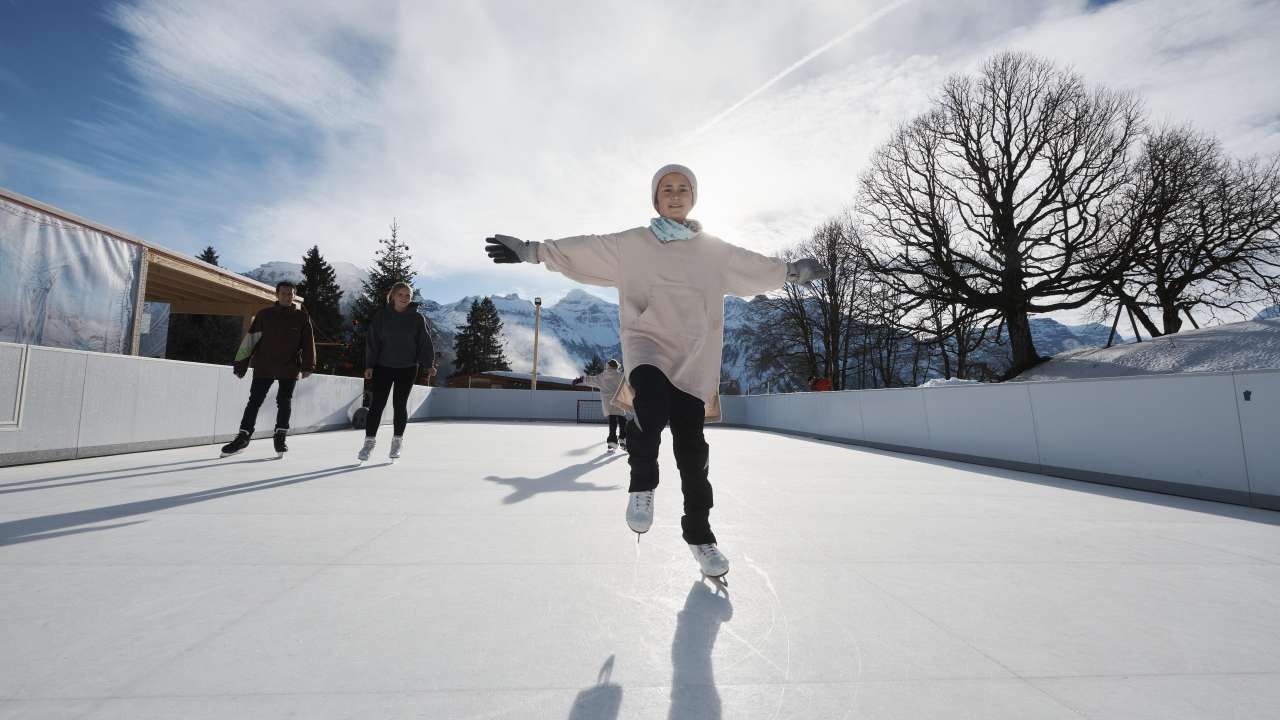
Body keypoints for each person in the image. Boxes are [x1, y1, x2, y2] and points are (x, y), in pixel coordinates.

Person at [485, 163, 828, 580]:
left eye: (684, 188)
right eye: (667, 188)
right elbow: (586, 247)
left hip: (695, 356)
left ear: (694, 196)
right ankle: (642, 486)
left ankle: (701, 538)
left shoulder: (714, 251)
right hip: (646, 342)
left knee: (693, 451)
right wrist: (532, 250)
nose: (676, 194)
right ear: (656, 197)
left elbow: (753, 266)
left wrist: (792, 271)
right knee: (648, 401)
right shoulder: (633, 244)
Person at [221, 281, 315, 457]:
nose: (287, 296)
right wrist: (241, 363)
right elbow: (251, 340)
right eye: (283, 293)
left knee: (284, 401)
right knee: (254, 401)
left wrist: (308, 366)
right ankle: (243, 437)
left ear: (294, 296)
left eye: (290, 294)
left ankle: (280, 436)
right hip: (264, 365)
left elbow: (308, 344)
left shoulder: (301, 317)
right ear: (277, 295)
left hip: (289, 367)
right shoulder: (264, 315)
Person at [359, 281, 437, 461]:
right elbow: (373, 342)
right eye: (401, 295)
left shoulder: (417, 319)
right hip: (383, 366)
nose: (404, 298)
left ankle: (397, 441)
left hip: (407, 368)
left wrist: (428, 364)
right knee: (376, 405)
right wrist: (370, 365)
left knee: (399, 405)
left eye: (408, 296)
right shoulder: (382, 316)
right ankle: (368, 443)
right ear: (392, 296)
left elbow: (424, 344)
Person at [573, 358, 627, 451]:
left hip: (608, 403)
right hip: (619, 401)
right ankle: (623, 439)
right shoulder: (621, 376)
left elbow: (591, 380)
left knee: (612, 421)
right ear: (617, 366)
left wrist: (580, 380)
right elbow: (630, 383)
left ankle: (612, 442)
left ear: (607, 366)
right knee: (622, 420)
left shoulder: (602, 377)